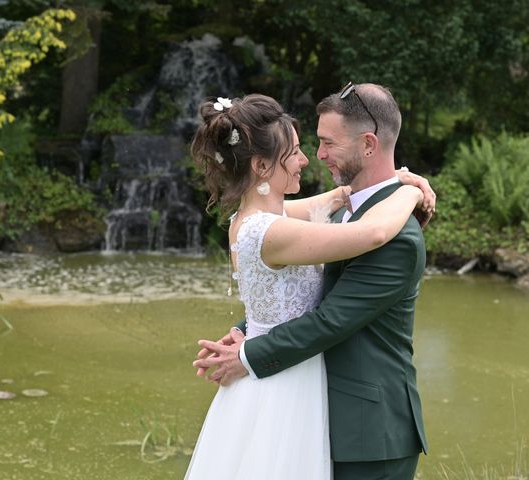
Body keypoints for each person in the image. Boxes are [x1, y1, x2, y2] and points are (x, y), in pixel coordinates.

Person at [186, 89, 434, 479]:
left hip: (370, 430)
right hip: (298, 401)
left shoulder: (391, 234)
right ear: (263, 167)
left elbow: (326, 315)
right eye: (302, 148)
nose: (312, 157)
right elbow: (363, 237)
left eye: (326, 143)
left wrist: (403, 185)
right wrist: (411, 189)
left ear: (368, 144)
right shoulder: (281, 225)